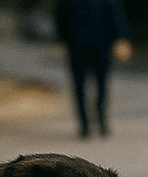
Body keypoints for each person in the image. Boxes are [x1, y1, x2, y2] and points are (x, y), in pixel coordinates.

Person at [55, 0, 132, 139]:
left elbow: (117, 16)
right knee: (87, 86)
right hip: (84, 45)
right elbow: (116, 15)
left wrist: (120, 38)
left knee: (96, 86)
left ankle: (95, 122)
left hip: (93, 45)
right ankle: (88, 124)